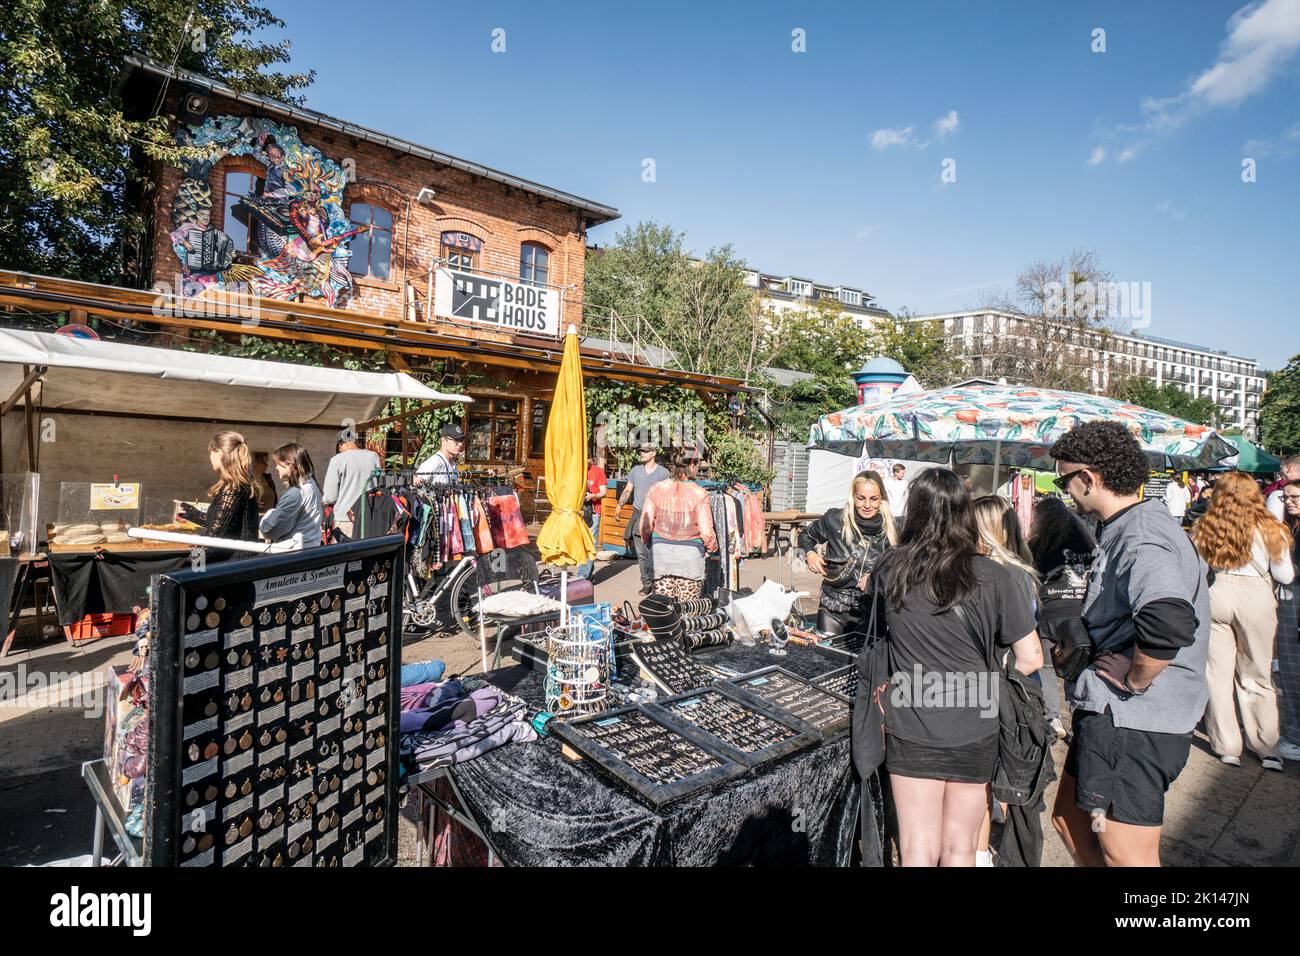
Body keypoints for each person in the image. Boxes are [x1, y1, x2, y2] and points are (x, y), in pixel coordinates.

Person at [1048, 421, 1209, 867]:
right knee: (1068, 820)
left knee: (1126, 854)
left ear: (1088, 477)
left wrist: (1136, 678)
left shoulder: (1141, 534)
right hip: (1115, 718)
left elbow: (1169, 619)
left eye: (1065, 480)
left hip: (1134, 722)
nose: (1065, 492)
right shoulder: (1133, 525)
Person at [873, 468, 1041, 867]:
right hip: (976, 717)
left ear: (914, 512)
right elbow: (1031, 657)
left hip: (910, 714)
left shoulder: (889, 568)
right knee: (961, 846)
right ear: (965, 513)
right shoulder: (996, 576)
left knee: (916, 846)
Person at [1191, 471, 1294, 771]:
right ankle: (1266, 746)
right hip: (1256, 597)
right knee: (1257, 674)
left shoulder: (1205, 526)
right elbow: (1285, 575)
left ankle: (1227, 746)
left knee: (1216, 674)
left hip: (1217, 592)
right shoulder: (1270, 527)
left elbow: (1197, 567)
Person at [1028, 497, 1097, 739]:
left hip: (1049, 611)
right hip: (1079, 612)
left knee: (1046, 666)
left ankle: (1053, 718)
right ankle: (1078, 714)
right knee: (1076, 665)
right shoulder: (1088, 543)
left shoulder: (1038, 544)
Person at [797, 471, 897, 635]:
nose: (867, 505)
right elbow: (806, 535)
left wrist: (876, 577)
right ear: (853, 497)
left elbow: (903, 566)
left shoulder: (892, 530)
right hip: (832, 609)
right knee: (826, 659)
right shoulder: (834, 519)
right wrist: (810, 554)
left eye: (873, 499)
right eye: (861, 498)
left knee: (864, 660)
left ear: (881, 500)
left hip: (871, 613)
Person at [639, 449, 717, 600]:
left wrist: (649, 543)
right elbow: (706, 531)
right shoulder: (700, 493)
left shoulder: (656, 488)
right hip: (690, 559)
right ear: (692, 465)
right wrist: (712, 548)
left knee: (664, 611)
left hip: (660, 556)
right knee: (688, 612)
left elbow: (645, 526)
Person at [178, 431, 260, 562]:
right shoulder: (239, 485)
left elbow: (215, 534)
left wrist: (191, 563)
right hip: (240, 563)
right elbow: (224, 521)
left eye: (211, 452)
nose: (210, 456)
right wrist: (190, 512)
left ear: (219, 453)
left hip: (233, 564)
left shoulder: (233, 488)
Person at [617, 443, 670, 595]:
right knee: (641, 554)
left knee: (655, 552)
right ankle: (647, 584)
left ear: (654, 453)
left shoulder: (664, 473)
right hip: (638, 514)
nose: (642, 454)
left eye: (646, 451)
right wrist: (619, 505)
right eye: (641, 451)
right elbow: (628, 490)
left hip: (657, 517)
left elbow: (667, 496)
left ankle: (658, 583)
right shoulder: (635, 471)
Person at [1276, 479, 1300, 761]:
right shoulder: (1288, 525)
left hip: (1295, 599)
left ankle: (1295, 736)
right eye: (1285, 497)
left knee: (1293, 671)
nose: (1289, 501)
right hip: (1291, 598)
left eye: (1293, 496)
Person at [260, 443, 324, 548]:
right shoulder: (311, 484)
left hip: (293, 552)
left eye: (278, 464)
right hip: (309, 547)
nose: (276, 467)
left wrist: (268, 515)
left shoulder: (297, 493)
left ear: (290, 465)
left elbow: (270, 530)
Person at [322, 429, 381, 540]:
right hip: (369, 517)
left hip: (345, 518)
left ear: (340, 444)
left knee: (345, 555)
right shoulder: (373, 456)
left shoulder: (337, 460)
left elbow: (330, 497)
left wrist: (325, 500)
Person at [577, 456, 608, 580]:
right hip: (579, 512)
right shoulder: (577, 471)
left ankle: (582, 575)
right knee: (582, 543)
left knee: (590, 543)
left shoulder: (598, 472)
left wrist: (592, 496)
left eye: (586, 460)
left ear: (590, 459)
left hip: (594, 512)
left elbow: (604, 492)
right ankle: (589, 575)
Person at [1264, 455, 1300, 520]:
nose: (1287, 501)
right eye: (1285, 497)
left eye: (1281, 467)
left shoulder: (1277, 492)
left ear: (1288, 468)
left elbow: (1273, 524)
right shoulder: (1278, 487)